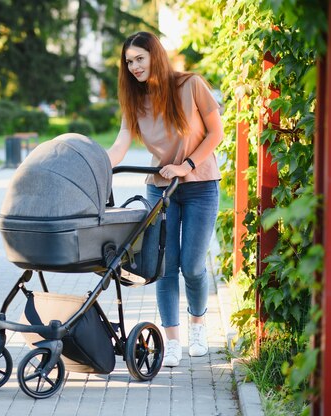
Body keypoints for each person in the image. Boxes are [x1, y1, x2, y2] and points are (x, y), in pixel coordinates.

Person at [107, 31, 223, 367]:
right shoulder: (135, 100)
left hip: (200, 185)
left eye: (139, 59)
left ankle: (198, 325)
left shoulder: (190, 85)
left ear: (154, 55)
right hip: (161, 189)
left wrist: (186, 164)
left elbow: (216, 132)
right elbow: (120, 144)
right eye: (129, 62)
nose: (134, 67)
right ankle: (172, 342)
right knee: (164, 268)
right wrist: (95, 164)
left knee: (193, 266)